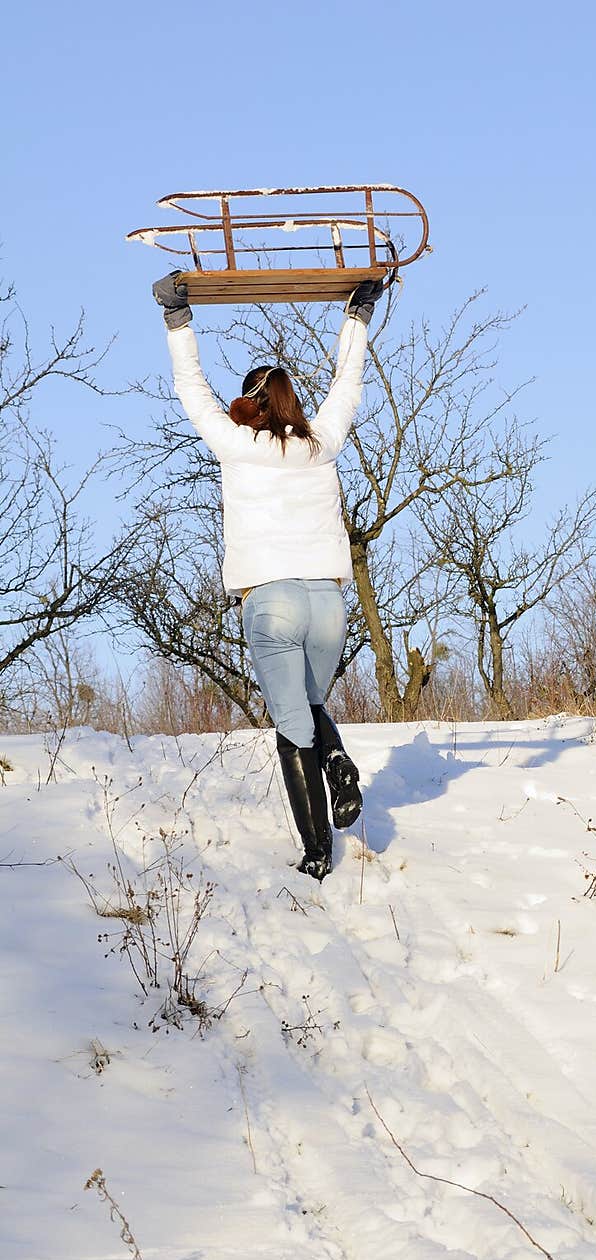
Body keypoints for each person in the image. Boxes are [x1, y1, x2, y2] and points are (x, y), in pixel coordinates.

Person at [152, 270, 384, 881]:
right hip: (329, 603)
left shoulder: (237, 445)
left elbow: (191, 388)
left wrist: (178, 319)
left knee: (291, 726)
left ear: (249, 404)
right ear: (290, 403)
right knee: (310, 704)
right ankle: (334, 760)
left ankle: (316, 855)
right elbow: (348, 387)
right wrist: (356, 316)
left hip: (272, 600)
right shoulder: (321, 444)